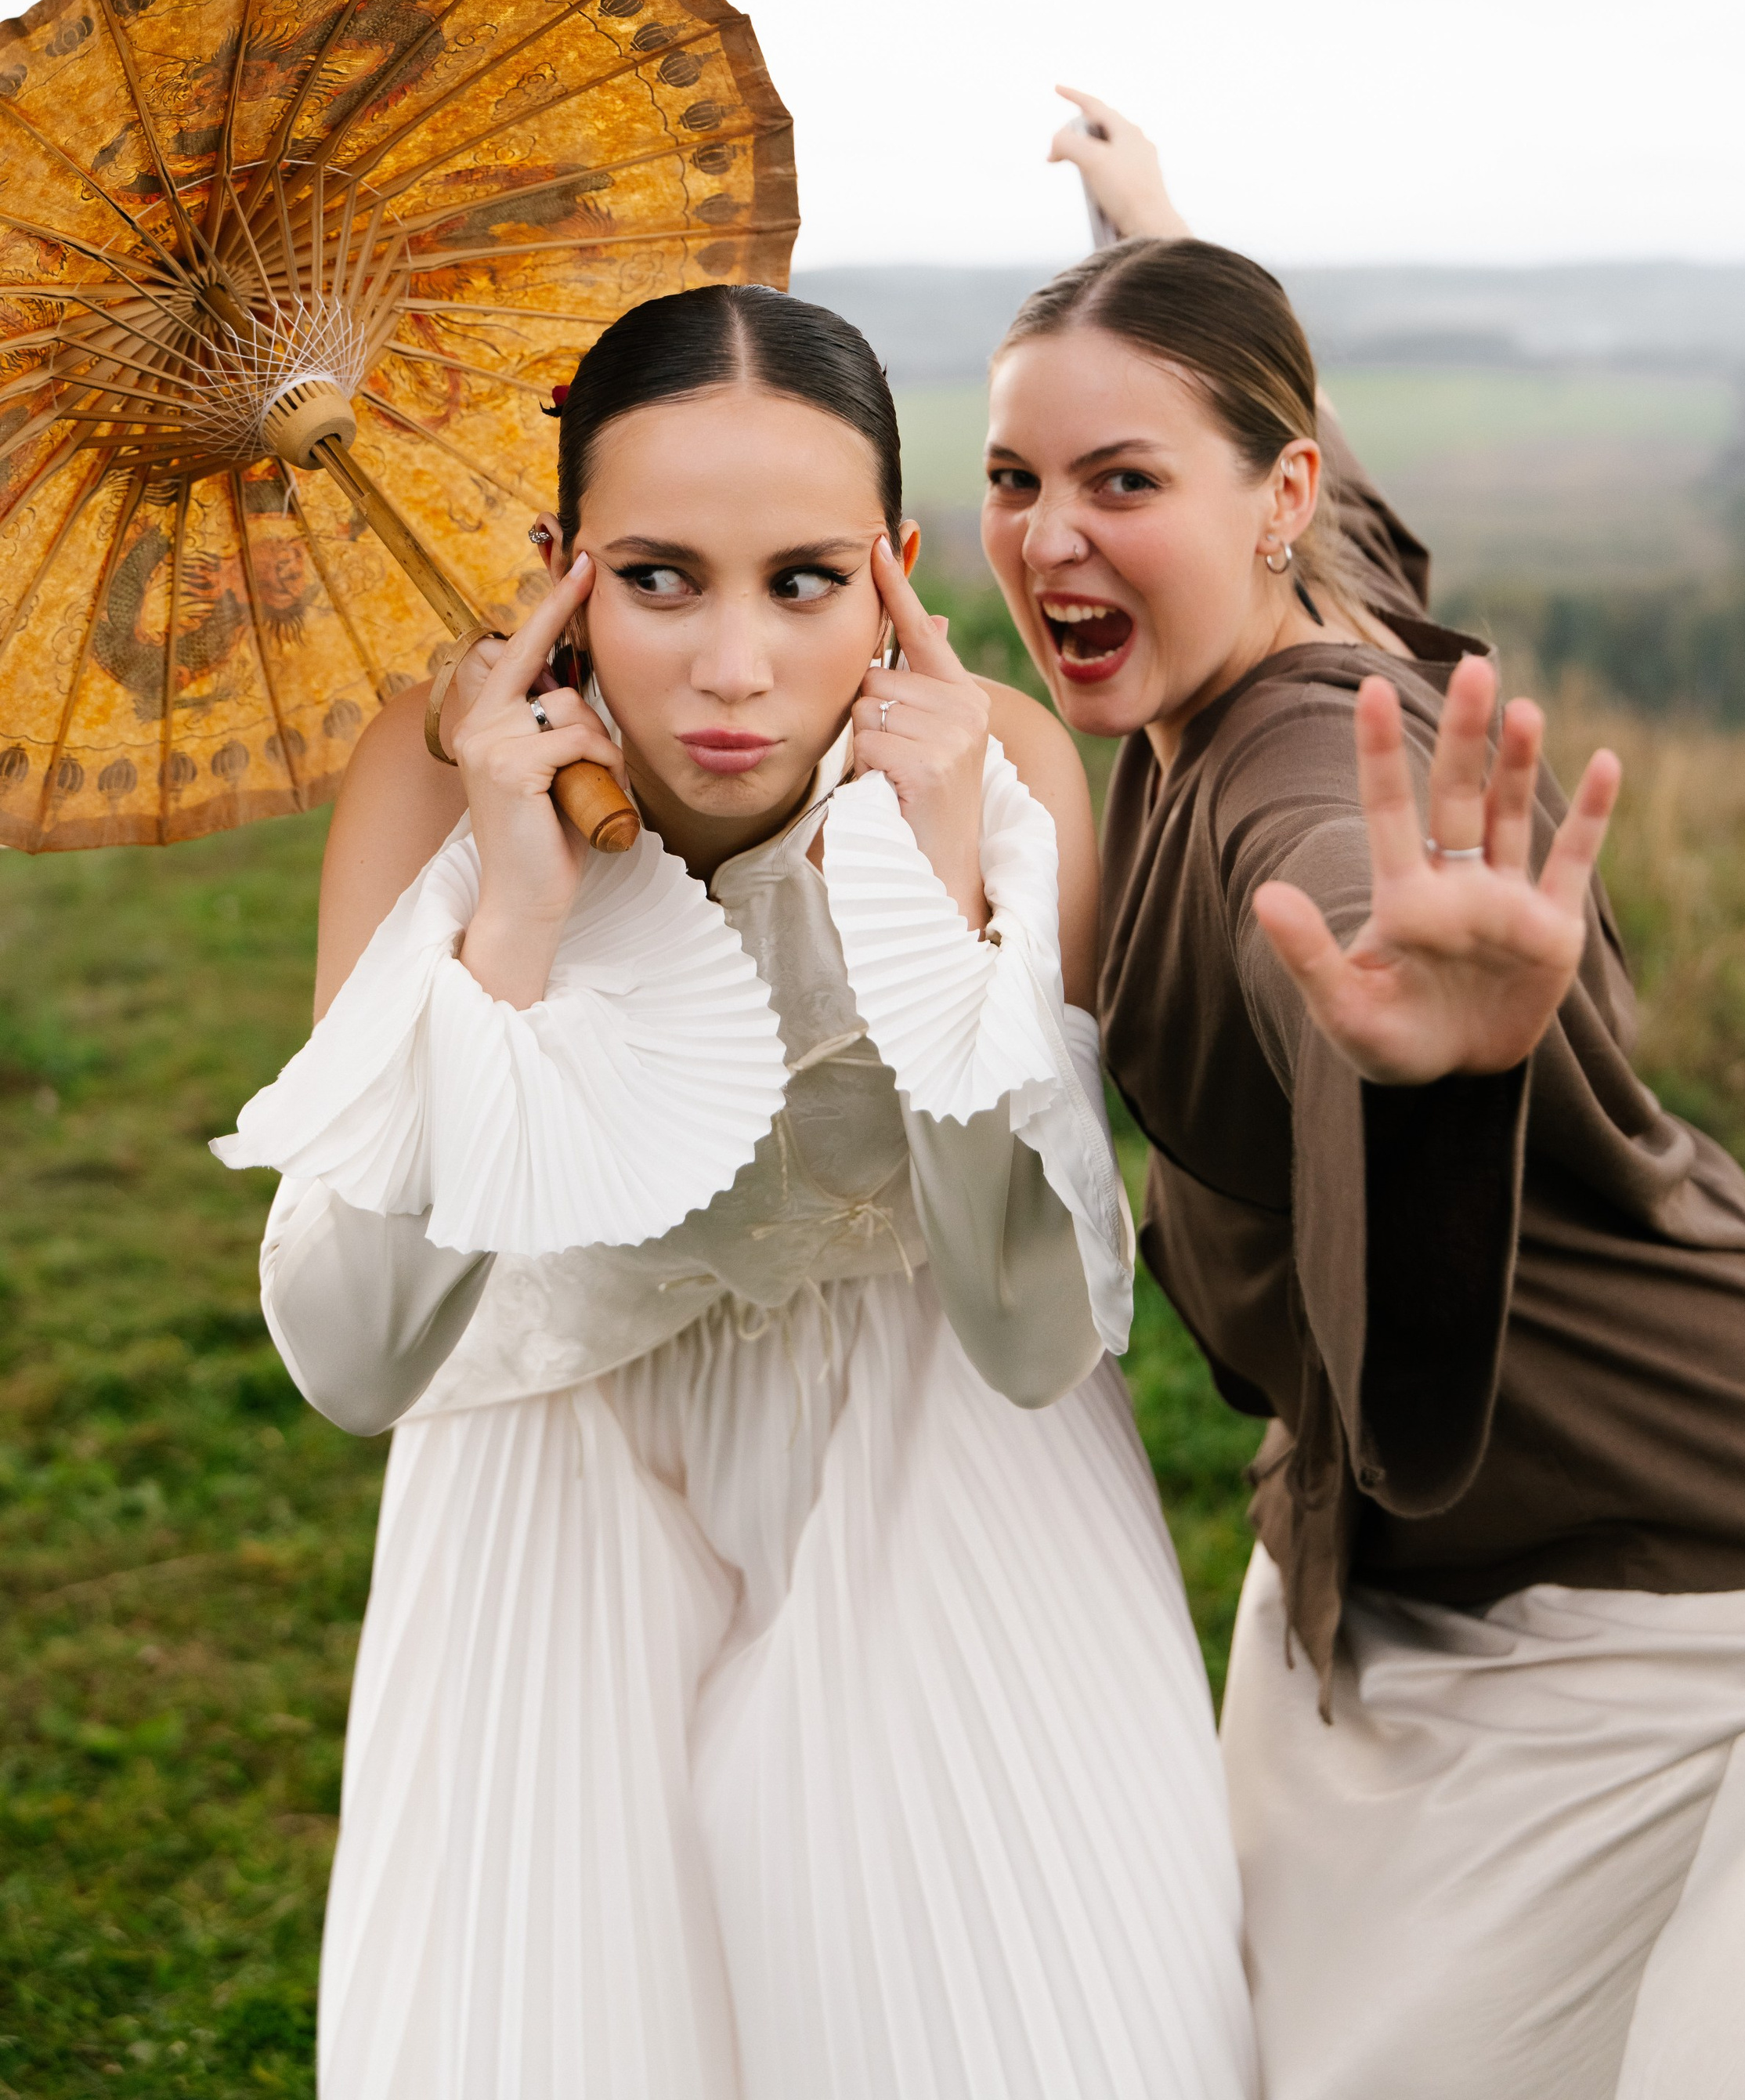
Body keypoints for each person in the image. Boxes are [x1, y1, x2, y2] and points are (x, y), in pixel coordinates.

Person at [211, 280, 1260, 2100]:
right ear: (559, 565)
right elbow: (354, 1355)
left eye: (801, 578)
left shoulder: (995, 768)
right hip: (550, 1479)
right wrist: (514, 924)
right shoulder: (438, 769)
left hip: (936, 1451)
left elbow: (1025, 1331)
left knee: (1010, 2013)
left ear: (894, 568)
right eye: (656, 574)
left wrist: (935, 919)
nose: (730, 666)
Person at [974, 98, 1745, 2100]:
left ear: (1266, 493)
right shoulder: (1292, 591)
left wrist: (1413, 1072)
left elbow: (1316, 889)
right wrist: (1162, 246)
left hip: (1651, 1528)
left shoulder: (1299, 794)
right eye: (1012, 476)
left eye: (1118, 476)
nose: (1047, 536)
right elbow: (1341, 500)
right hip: (1413, 1542)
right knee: (1233, 1986)